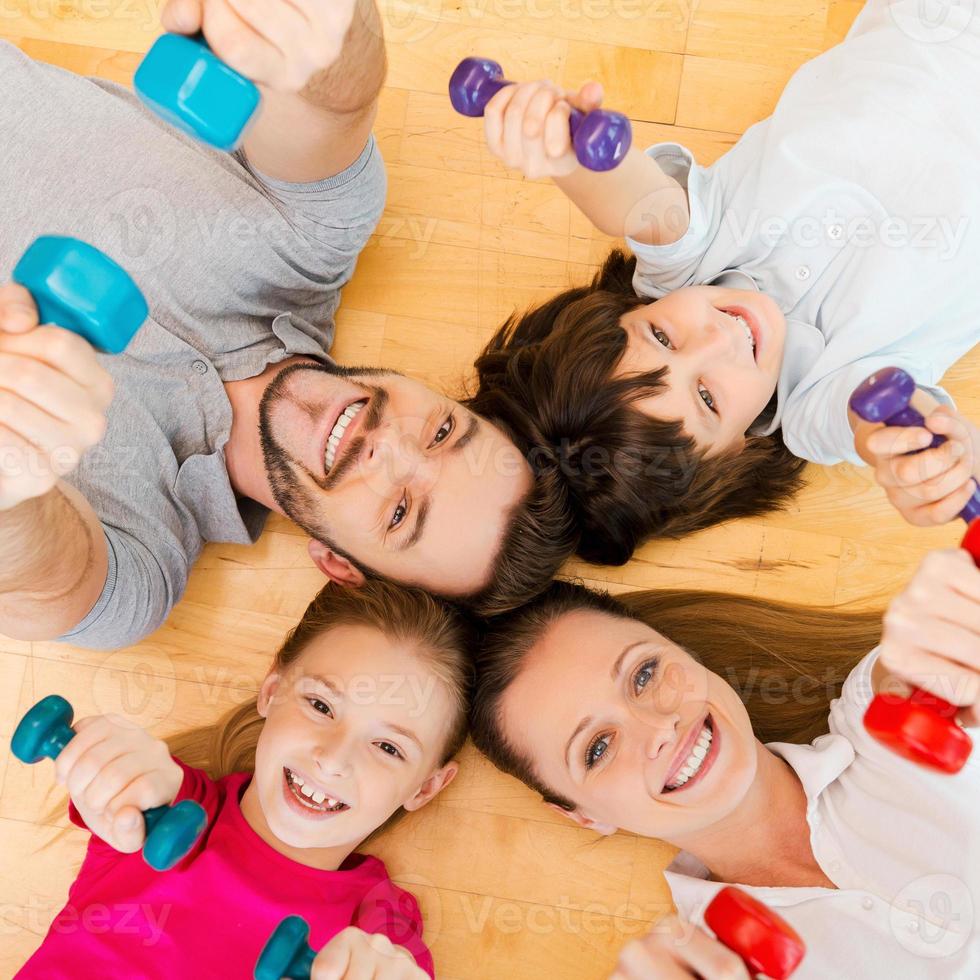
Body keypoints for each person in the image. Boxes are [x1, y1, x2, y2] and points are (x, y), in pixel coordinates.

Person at [0, 0, 574, 649]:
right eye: (443, 431)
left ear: (343, 566)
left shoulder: (141, 563)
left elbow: (43, 583)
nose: (387, 445)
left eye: (400, 511)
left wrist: (9, 484)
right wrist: (323, 25)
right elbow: (337, 96)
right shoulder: (311, 239)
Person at [465, 0, 980, 565]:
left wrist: (561, 149)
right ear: (738, 451)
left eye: (661, 336)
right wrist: (932, 450)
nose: (720, 338)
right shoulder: (819, 404)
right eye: (707, 397)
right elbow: (875, 416)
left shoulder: (693, 260)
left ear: (628, 307)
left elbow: (635, 202)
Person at [469, 546, 980, 978]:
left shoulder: (885, 712)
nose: (660, 726)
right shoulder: (712, 965)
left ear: (687, 654)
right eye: (597, 749)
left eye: (644, 674)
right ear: (583, 814)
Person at [16, 579, 472, 978]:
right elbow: (124, 794)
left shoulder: (377, 925)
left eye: (389, 748)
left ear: (426, 787)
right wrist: (104, 760)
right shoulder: (165, 802)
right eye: (320, 705)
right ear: (272, 692)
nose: (333, 760)